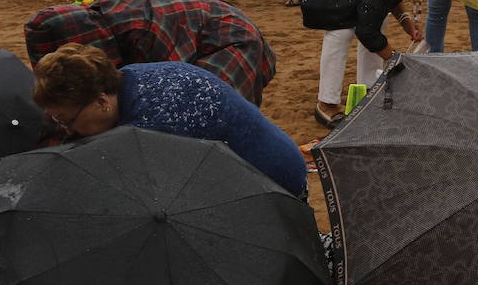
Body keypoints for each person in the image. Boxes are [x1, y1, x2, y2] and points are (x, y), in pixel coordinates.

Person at [32, 43, 306, 195]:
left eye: (68, 120)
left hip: (274, 187)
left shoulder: (154, 125)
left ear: (101, 102)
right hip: (268, 162)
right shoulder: (129, 76)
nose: (68, 129)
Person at [294, 0, 466, 125]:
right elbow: (366, 30)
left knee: (376, 18)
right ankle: (326, 105)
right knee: (342, 29)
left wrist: (406, 23)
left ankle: (369, 88)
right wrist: (397, 62)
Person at [26, 0, 276, 105]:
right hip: (198, 33)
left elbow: (173, 88)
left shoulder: (140, 31)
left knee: (207, 112)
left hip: (229, 40)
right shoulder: (96, 27)